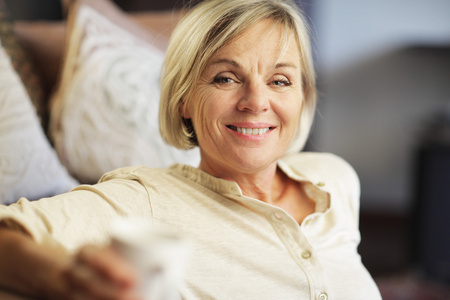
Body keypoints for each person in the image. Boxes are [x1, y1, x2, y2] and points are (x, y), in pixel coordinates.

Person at [0, 0, 382, 299]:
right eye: (225, 77)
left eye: (280, 80)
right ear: (184, 98)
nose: (256, 101)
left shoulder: (335, 178)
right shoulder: (144, 200)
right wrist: (62, 279)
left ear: (303, 97)